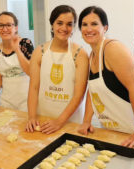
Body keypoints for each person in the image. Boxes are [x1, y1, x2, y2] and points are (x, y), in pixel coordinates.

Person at [77, 6, 134, 154]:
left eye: (94, 24)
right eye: (84, 25)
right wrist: (86, 121)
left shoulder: (113, 49)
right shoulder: (92, 56)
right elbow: (93, 94)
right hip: (115, 130)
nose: (88, 29)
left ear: (105, 28)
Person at [25, 5, 89, 134]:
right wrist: (32, 117)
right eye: (59, 23)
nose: (64, 28)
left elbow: (79, 95)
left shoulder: (80, 54)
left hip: (71, 120)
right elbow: (34, 87)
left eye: (69, 24)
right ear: (52, 24)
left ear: (73, 27)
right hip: (43, 118)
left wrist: (59, 122)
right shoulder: (39, 51)